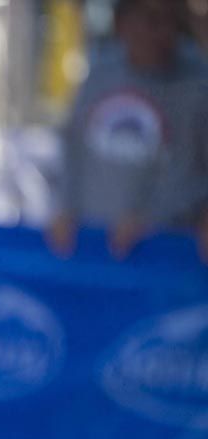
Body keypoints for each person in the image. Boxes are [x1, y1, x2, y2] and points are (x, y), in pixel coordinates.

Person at [47, 0, 208, 258]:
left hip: (164, 252)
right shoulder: (98, 75)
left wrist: (151, 219)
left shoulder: (198, 86)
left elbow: (193, 173)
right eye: (146, 19)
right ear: (121, 23)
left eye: (167, 20)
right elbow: (72, 149)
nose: (156, 31)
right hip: (90, 245)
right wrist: (63, 207)